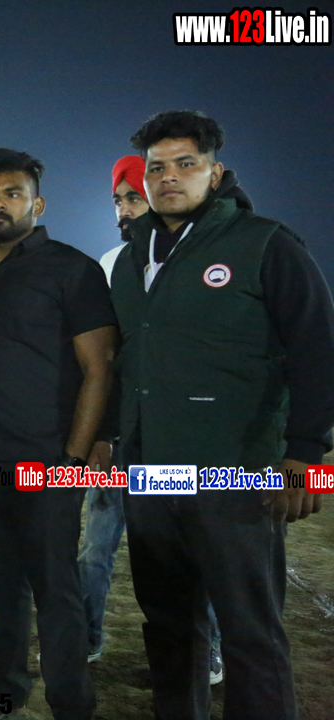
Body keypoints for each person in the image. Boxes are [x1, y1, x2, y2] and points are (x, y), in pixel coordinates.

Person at [114, 110, 334, 720]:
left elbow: (317, 350)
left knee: (249, 632)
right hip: (151, 475)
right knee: (168, 629)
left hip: (235, 474)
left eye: (185, 163)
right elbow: (128, 358)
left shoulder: (265, 243)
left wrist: (307, 458)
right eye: (157, 167)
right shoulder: (133, 255)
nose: (168, 177)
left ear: (215, 174)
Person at [0, 148, 116, 720]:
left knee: (55, 591)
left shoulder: (73, 270)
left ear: (37, 205)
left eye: (12, 194)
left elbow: (99, 369)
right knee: (1, 591)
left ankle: (71, 702)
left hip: (44, 462)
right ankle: (5, 690)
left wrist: (73, 457)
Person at [82, 155, 225, 683]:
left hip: (175, 440)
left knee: (187, 555)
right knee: (96, 548)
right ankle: (85, 638)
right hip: (121, 437)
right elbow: (104, 359)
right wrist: (101, 432)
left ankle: (204, 651)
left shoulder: (199, 260)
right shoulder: (111, 262)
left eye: (132, 198)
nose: (124, 209)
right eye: (118, 200)